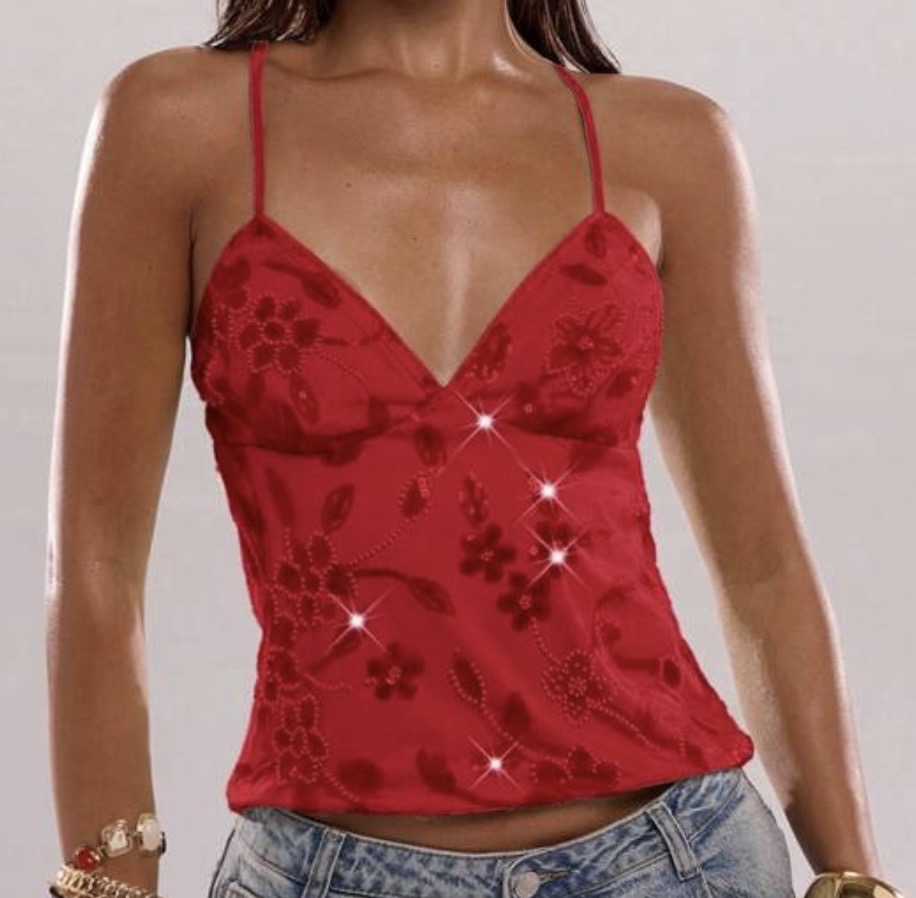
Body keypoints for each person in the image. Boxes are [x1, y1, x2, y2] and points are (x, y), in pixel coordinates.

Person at [45, 2, 902, 898]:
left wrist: (854, 876)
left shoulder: (669, 144)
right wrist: (112, 880)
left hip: (678, 859)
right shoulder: (178, 123)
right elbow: (96, 567)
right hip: (325, 873)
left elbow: (762, 562)